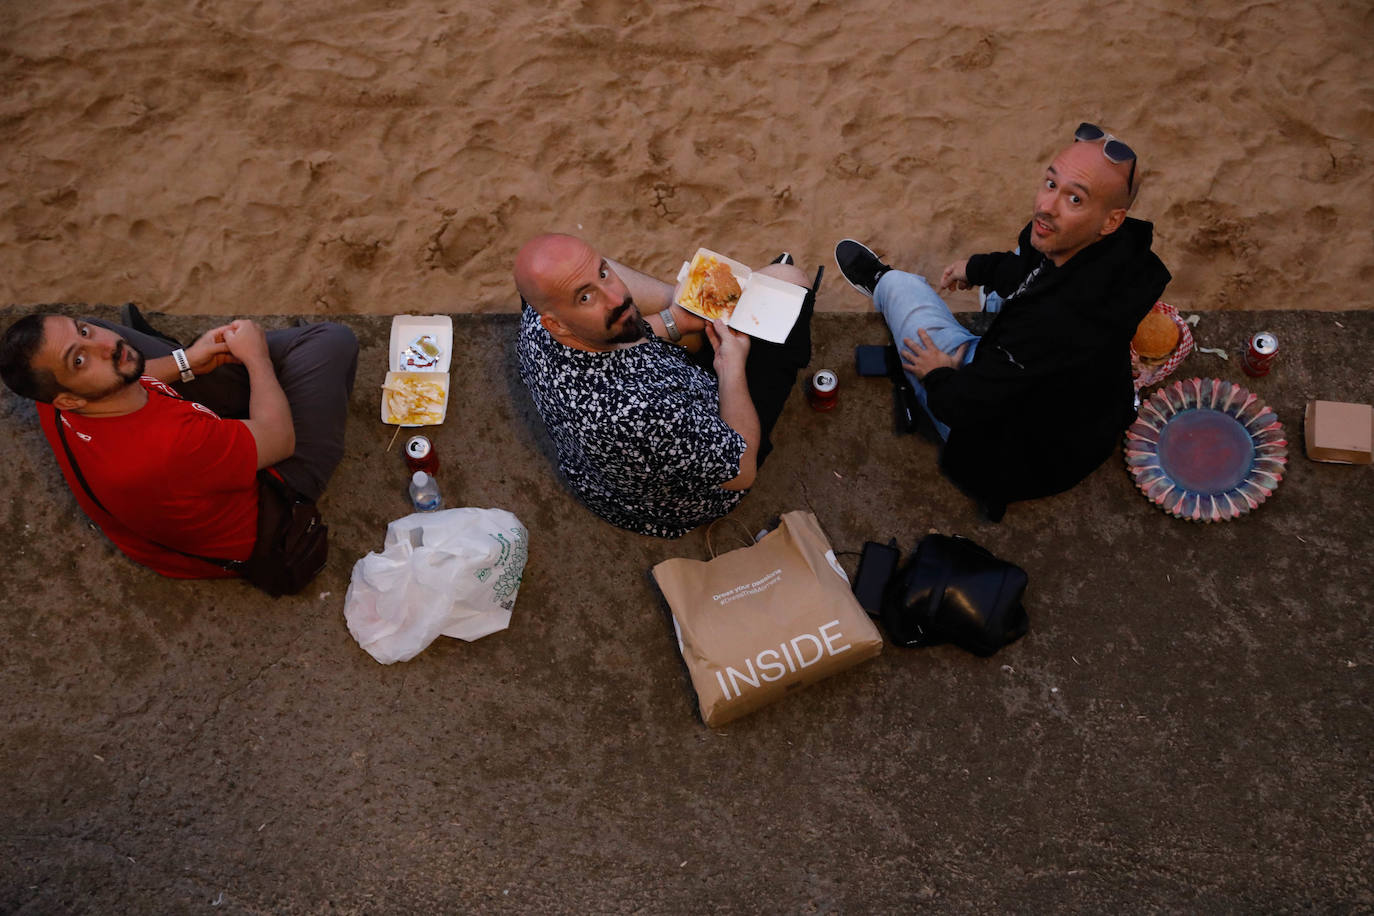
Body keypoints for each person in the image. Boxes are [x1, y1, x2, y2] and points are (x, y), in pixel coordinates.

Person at [835, 122, 1172, 520]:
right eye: (1051, 184)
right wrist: (976, 268)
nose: (1047, 207)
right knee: (1004, 284)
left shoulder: (1053, 324)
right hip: (1071, 408)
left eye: (1075, 199)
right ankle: (961, 339)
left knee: (905, 296)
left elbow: (960, 406)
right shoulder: (1113, 254)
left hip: (1013, 455)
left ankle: (883, 283)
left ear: (1111, 220)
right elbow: (1025, 268)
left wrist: (937, 373)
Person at [0, 307, 358, 577]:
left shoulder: (56, 397)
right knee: (331, 341)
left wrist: (188, 361)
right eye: (79, 360)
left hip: (185, 478)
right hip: (269, 503)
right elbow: (279, 440)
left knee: (112, 350)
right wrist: (256, 359)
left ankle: (240, 372)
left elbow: (122, 374)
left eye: (84, 331)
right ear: (68, 402)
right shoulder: (172, 444)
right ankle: (272, 377)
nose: (104, 346)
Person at [513, 233, 815, 537]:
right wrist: (731, 366)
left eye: (603, 273)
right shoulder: (643, 413)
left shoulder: (539, 323)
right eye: (586, 297)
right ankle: (764, 312)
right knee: (790, 280)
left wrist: (674, 319)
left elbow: (612, 343)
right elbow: (741, 470)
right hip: (687, 490)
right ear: (557, 324)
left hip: (605, 475)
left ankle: (705, 309)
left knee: (758, 289)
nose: (618, 298)